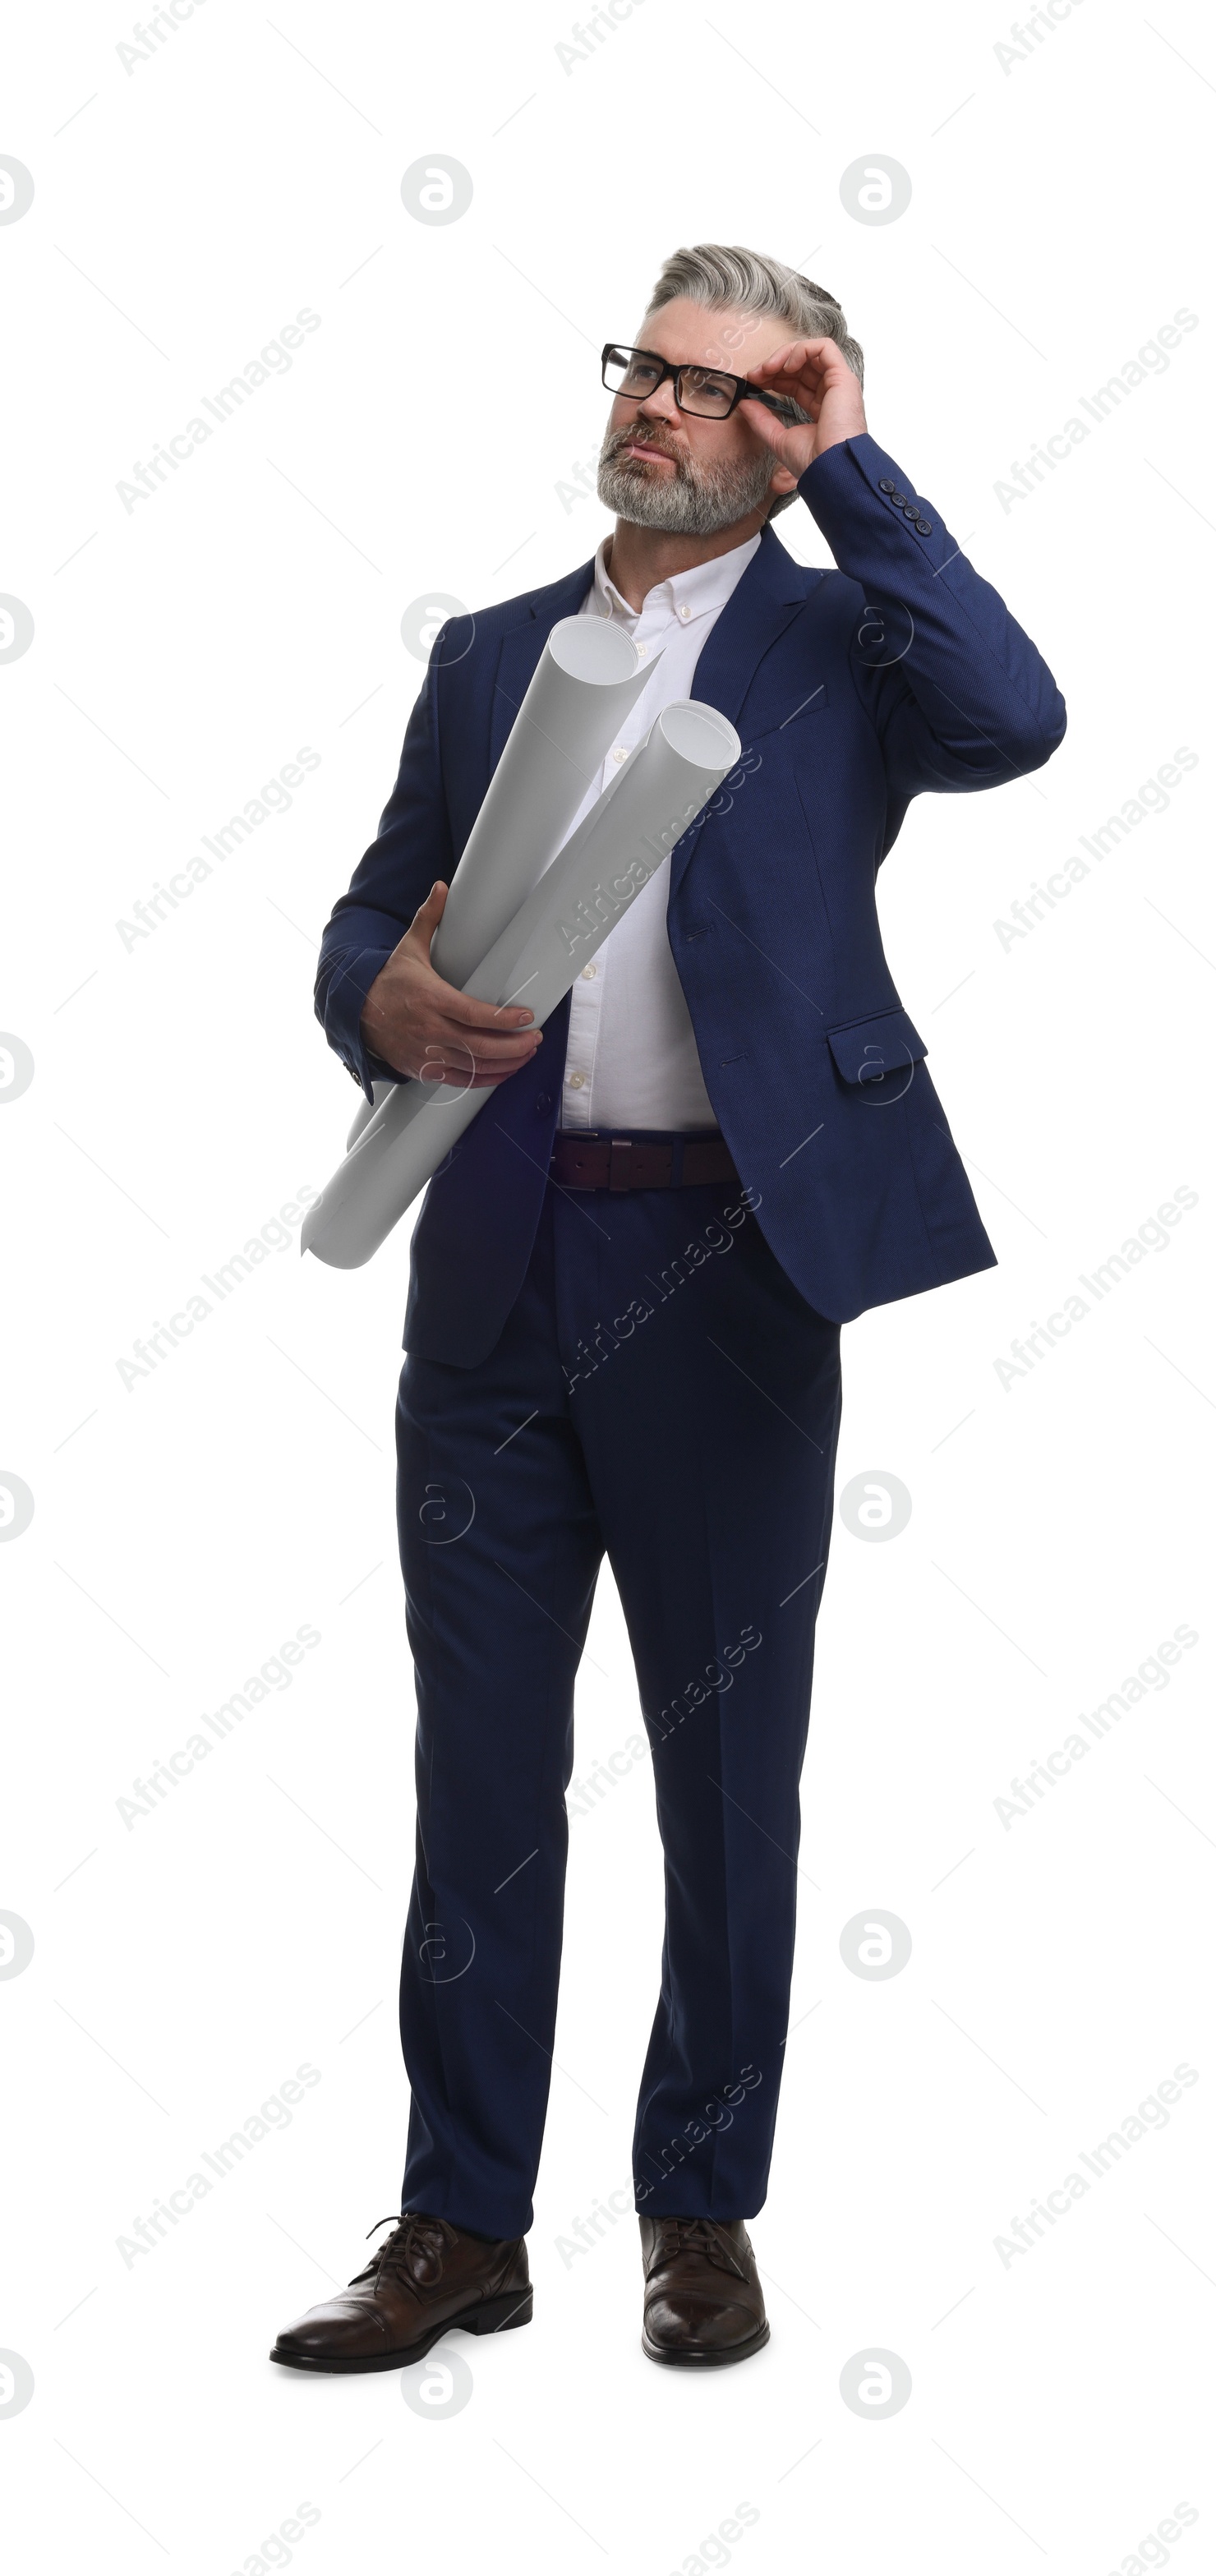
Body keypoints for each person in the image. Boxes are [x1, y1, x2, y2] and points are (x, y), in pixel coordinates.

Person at [271, 242, 1066, 2376]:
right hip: (501, 1256)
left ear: (790, 423)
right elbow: (379, 901)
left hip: (727, 1262)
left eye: (729, 390)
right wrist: (380, 995)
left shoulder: (841, 639)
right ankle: (460, 2223)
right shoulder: (492, 654)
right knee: (484, 1772)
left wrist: (861, 483)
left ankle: (699, 2206)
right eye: (652, 368)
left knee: (729, 1766)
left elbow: (1020, 719)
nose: (667, 409)